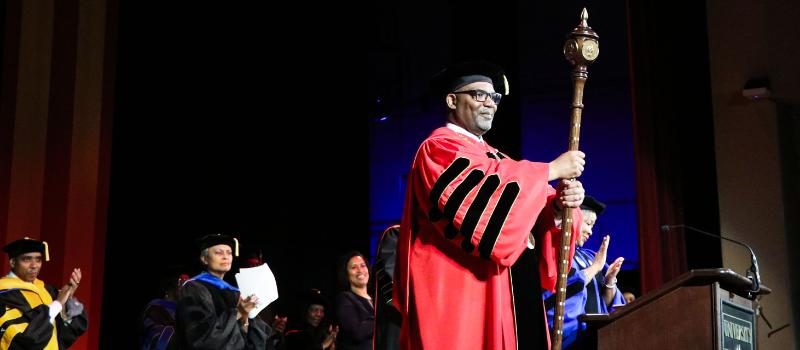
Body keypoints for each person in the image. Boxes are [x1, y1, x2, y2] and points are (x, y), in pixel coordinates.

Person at [393, 60, 587, 350]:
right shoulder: (438, 149)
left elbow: (524, 203)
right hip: (464, 295)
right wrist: (548, 171)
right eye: (479, 95)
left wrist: (559, 206)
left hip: (511, 297)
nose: (490, 104)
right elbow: (484, 200)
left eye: (494, 97)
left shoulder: (496, 158)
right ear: (452, 99)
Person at [542, 195, 625, 349]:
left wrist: (609, 281)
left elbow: (608, 305)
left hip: (598, 338)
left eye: (593, 225)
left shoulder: (589, 257)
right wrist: (595, 268)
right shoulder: (555, 253)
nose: (591, 231)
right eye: (588, 224)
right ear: (574, 221)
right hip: (570, 340)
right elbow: (556, 293)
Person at [176, 234, 268, 349]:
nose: (226, 257)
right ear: (204, 259)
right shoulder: (194, 288)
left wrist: (245, 317)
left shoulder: (235, 292)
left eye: (229, 253)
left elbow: (248, 339)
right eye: (219, 253)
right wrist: (238, 312)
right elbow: (201, 339)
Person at [0, 237, 88, 349]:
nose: (34, 265)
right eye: (27, 259)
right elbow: (24, 340)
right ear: (13, 262)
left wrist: (67, 302)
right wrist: (57, 304)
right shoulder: (4, 294)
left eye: (38, 259)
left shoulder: (47, 289)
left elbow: (65, 334)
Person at [334, 251, 375, 350]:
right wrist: (382, 317)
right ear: (346, 274)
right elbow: (357, 333)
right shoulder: (344, 298)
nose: (360, 270)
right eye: (354, 267)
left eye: (363, 265)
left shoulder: (376, 299)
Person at [141, 270, 189, 350]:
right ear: (170, 287)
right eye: (181, 283)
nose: (185, 287)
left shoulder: (185, 309)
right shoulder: (155, 308)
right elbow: (155, 337)